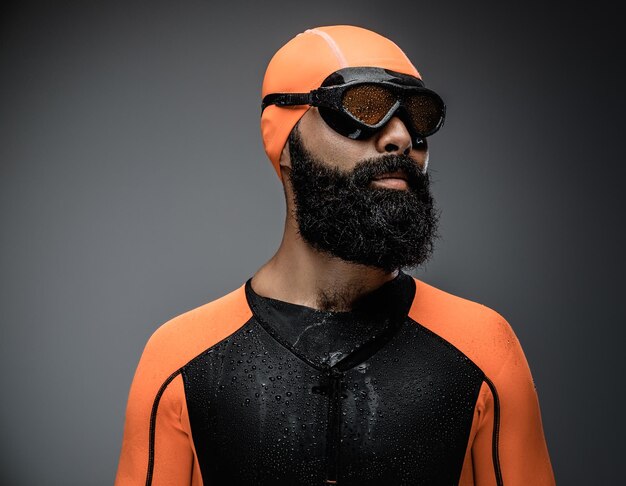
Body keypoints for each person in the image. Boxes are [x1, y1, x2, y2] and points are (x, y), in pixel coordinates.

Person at [114, 25, 555, 486]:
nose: (401, 136)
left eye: (418, 115)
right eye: (364, 106)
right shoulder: (180, 359)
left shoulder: (484, 350)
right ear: (282, 139)